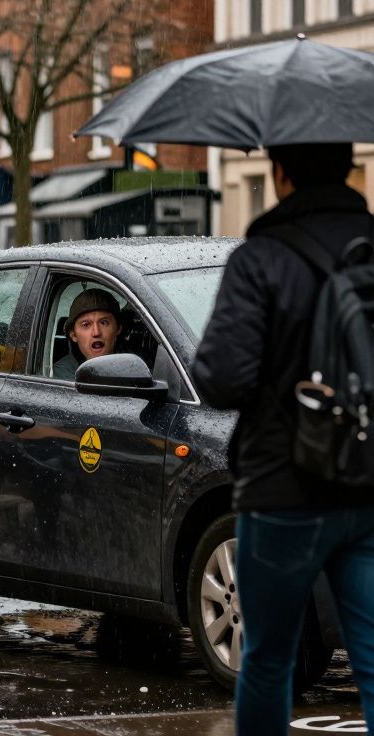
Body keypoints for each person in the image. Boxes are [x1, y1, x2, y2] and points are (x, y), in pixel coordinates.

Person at [193, 142, 374, 735]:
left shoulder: (261, 258)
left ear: (280, 173)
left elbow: (222, 378)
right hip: (369, 479)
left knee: (268, 659)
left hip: (284, 486)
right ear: (349, 168)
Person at [52, 288, 122, 380]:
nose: (96, 332)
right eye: (86, 325)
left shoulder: (138, 365)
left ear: (118, 328)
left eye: (104, 322)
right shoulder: (62, 374)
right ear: (73, 335)